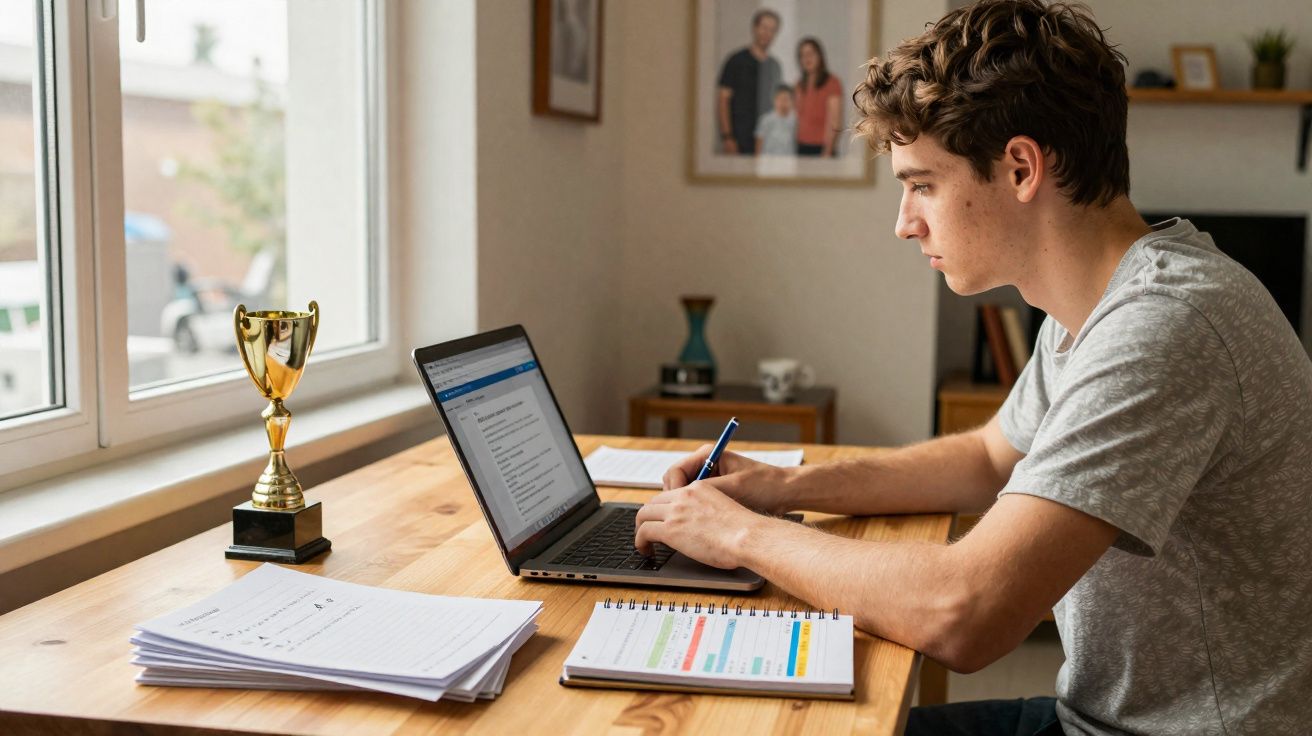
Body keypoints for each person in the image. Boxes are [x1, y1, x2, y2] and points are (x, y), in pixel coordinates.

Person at [634, 1, 1312, 734]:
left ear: (1021, 167)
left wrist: (738, 535)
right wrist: (781, 486)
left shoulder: (1167, 325)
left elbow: (966, 613)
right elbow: (989, 456)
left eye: (921, 183)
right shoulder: (1098, 301)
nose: (904, 221)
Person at [716, 9, 782, 156]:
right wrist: (727, 137)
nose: (767, 33)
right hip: (738, 141)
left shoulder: (775, 66)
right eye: (764, 28)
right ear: (755, 28)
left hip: (767, 143)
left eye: (772, 30)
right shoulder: (735, 60)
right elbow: (723, 100)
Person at [793, 37, 843, 157]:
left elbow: (835, 122)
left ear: (819, 56)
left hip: (822, 150)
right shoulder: (799, 85)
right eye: (802, 55)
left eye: (810, 53)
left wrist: (827, 152)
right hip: (801, 148)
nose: (807, 58)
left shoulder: (832, 82)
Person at [755, 85, 796, 156]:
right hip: (769, 160)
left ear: (792, 101)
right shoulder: (766, 119)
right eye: (779, 99)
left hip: (788, 160)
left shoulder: (794, 119)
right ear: (774, 100)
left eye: (786, 99)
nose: (782, 103)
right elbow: (759, 142)